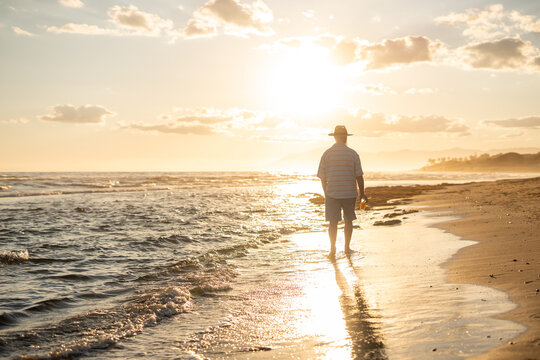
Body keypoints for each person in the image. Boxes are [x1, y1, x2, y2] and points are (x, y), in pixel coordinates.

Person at [317, 125, 368, 258]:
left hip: (332, 193)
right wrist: (362, 194)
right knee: (348, 221)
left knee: (332, 223)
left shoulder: (326, 154)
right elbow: (359, 176)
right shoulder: (353, 153)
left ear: (334, 137)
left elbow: (322, 177)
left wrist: (326, 192)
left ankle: (332, 250)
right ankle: (346, 248)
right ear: (345, 137)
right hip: (349, 193)